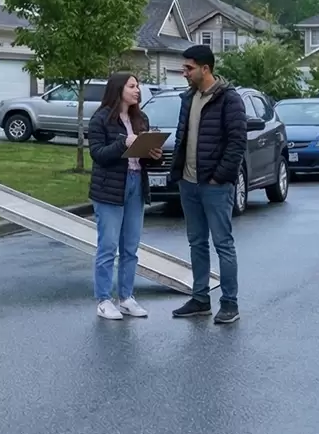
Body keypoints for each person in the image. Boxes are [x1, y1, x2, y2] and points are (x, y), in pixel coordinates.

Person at [168, 44, 247, 324]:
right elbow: (182, 137)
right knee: (196, 242)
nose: (184, 73)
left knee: (222, 243)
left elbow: (237, 143)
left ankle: (230, 303)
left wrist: (219, 176)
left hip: (215, 185)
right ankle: (200, 298)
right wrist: (177, 172)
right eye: (184, 68)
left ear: (206, 68)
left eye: (188, 68)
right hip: (188, 183)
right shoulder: (188, 98)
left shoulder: (229, 99)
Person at [85, 73, 162, 320]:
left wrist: (153, 153)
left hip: (136, 183)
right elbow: (98, 154)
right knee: (108, 246)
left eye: (137, 86)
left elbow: (142, 156)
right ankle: (104, 300)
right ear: (118, 89)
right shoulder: (100, 119)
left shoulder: (141, 119)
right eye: (132, 86)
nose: (137, 90)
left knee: (130, 246)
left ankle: (126, 297)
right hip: (109, 188)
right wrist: (124, 143)